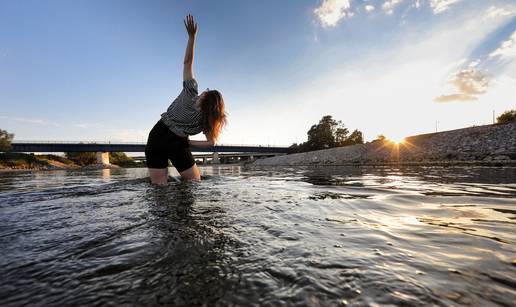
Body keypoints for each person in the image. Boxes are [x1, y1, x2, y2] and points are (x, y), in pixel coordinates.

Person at [145, 14, 227, 184]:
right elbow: (211, 143)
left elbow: (187, 63)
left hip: (157, 135)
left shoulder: (191, 91)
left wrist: (192, 37)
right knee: (195, 182)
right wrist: (188, 143)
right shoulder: (206, 119)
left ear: (205, 95)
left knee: (159, 188)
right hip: (178, 143)